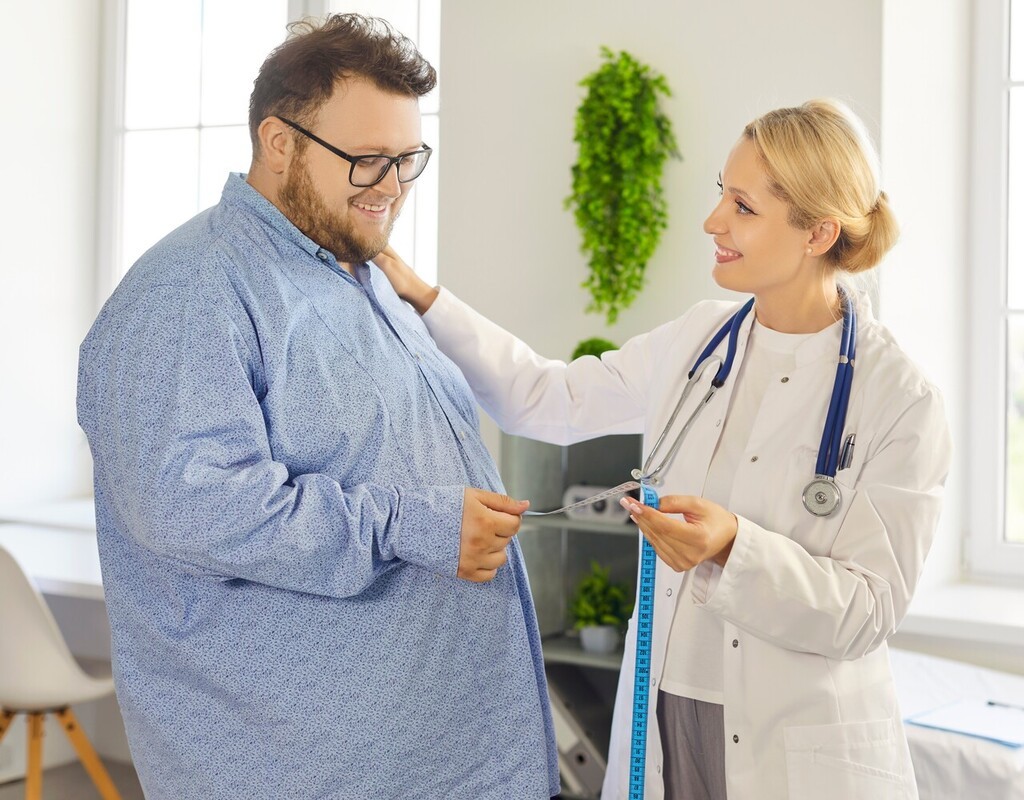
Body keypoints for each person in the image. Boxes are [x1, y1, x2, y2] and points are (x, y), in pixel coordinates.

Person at [374, 99, 952, 799]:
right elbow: (547, 397)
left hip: (792, 739)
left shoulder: (901, 399)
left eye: (742, 206)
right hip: (665, 709)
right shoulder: (697, 340)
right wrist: (422, 297)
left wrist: (734, 545)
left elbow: (868, 610)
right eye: (721, 193)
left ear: (817, 231)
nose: (713, 221)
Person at [77, 14, 559, 800]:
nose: (394, 187)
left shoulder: (360, 273)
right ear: (279, 141)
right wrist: (416, 524)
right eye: (369, 161)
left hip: (439, 756)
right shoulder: (190, 292)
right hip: (306, 772)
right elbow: (192, 507)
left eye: (408, 160)